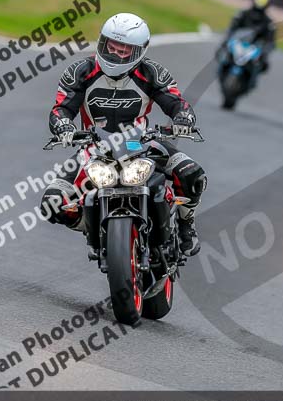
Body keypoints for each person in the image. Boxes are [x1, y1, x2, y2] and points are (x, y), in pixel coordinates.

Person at [43, 13, 207, 256]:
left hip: (143, 143)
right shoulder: (80, 71)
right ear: (102, 42)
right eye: (112, 47)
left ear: (139, 51)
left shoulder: (152, 72)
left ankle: (186, 224)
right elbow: (61, 109)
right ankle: (95, 229)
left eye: (124, 51)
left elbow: (176, 102)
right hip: (93, 148)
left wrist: (183, 119)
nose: (116, 54)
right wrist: (63, 126)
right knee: (52, 203)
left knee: (192, 174)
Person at [225, 0, 276, 72]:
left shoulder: (268, 22)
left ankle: (252, 77)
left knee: (262, 63)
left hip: (254, 46)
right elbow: (232, 27)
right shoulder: (243, 14)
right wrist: (227, 39)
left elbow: (271, 39)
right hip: (240, 42)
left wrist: (265, 52)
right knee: (225, 53)